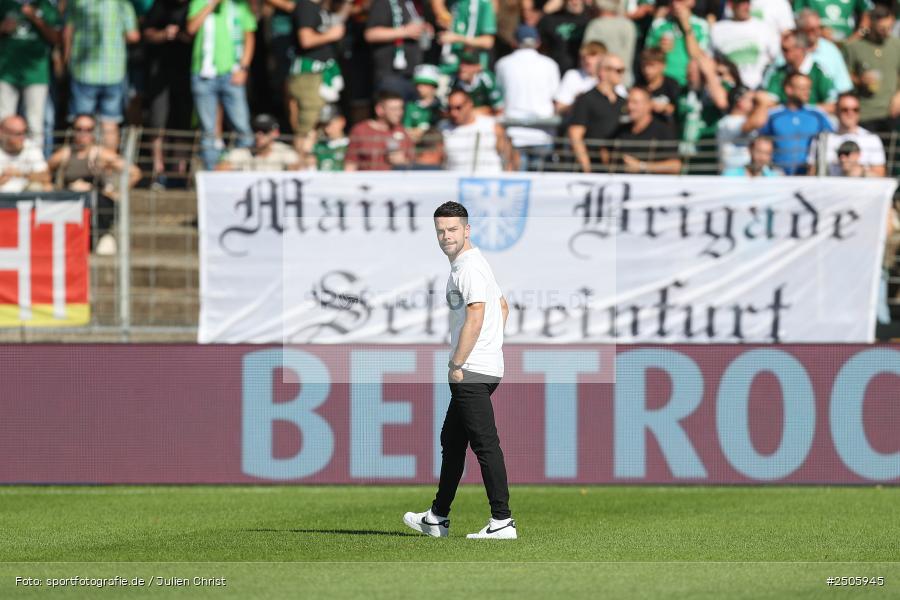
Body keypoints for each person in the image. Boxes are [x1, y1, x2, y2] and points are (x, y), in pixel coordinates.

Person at [403, 201, 515, 540]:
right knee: (452, 441)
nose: (446, 236)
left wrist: (458, 363)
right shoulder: (474, 263)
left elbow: (477, 315)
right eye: (440, 231)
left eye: (452, 229)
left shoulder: (468, 268)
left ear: (467, 230)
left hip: (471, 370)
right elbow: (503, 307)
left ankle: (502, 521)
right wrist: (490, 348)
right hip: (483, 366)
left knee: (485, 444)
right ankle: (437, 517)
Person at [47, 114, 142, 255]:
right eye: (79, 129)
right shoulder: (65, 153)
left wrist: (116, 192)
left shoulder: (101, 154)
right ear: (73, 131)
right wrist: (50, 186)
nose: (83, 133)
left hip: (95, 207)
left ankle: (100, 239)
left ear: (94, 132)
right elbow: (44, 170)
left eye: (88, 129)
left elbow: (134, 172)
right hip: (70, 204)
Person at [186, 0, 257, 171]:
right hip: (203, 74)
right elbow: (191, 28)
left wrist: (244, 67)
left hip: (232, 73)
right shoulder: (199, 2)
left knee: (242, 126)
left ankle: (242, 170)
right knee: (208, 130)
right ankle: (212, 173)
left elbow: (249, 36)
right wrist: (211, 4)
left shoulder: (239, 5)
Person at [64, 0, 140, 151]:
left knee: (83, 123)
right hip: (114, 72)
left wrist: (65, 59)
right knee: (110, 123)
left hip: (83, 72)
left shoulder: (77, 2)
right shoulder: (122, 4)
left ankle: (83, 163)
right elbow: (133, 36)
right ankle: (108, 164)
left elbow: (68, 30)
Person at [495, 24, 560, 170]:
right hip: (542, 133)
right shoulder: (550, 64)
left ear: (514, 42)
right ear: (537, 42)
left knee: (517, 182)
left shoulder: (503, 64)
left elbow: (499, 96)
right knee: (541, 182)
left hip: (514, 132)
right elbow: (555, 99)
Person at [143, 0, 194, 187]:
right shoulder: (160, 5)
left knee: (182, 125)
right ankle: (158, 172)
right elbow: (147, 33)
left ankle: (179, 173)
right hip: (160, 73)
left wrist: (184, 35)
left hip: (187, 73)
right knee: (158, 122)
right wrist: (164, 34)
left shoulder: (194, 6)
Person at [288, 0, 348, 157]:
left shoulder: (321, 7)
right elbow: (306, 40)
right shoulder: (306, 6)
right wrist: (331, 35)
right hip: (309, 76)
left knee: (322, 123)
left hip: (322, 74)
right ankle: (301, 163)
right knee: (309, 125)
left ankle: (317, 162)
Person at [0, 0, 61, 149]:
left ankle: (35, 160)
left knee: (35, 123)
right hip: (6, 73)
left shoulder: (45, 6)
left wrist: (36, 19)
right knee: (4, 121)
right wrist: (2, 27)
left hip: (37, 74)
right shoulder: (3, 4)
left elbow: (57, 38)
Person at [748, 73, 833, 175]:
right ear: (789, 89)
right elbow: (760, 141)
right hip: (777, 175)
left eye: (809, 88)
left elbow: (831, 140)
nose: (807, 92)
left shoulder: (817, 115)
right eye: (803, 88)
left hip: (808, 176)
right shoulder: (773, 115)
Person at [841, 5, 900, 132]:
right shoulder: (854, 47)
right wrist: (859, 80)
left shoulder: (896, 44)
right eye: (882, 29)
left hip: (891, 113)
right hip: (866, 114)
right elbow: (843, 76)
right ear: (871, 24)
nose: (887, 32)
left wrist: (899, 95)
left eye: (889, 28)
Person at [568, 53, 627, 172]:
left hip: (616, 168)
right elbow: (575, 135)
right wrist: (587, 168)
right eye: (618, 70)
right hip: (593, 167)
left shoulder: (623, 101)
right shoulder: (586, 99)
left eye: (623, 70)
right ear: (603, 71)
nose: (622, 74)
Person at [808, 92, 885, 176]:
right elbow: (812, 173)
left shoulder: (871, 139)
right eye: (845, 110)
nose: (850, 113)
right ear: (836, 111)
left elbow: (880, 175)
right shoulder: (822, 139)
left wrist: (861, 172)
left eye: (855, 110)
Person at [762, 29, 836, 114]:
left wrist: (802, 112)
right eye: (782, 49)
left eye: (786, 49)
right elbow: (768, 103)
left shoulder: (820, 73)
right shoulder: (778, 73)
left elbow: (832, 105)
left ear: (800, 49)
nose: (782, 53)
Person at [710, 0, 779, 90]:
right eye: (741, 3)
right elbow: (711, 59)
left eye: (748, 2)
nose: (745, 6)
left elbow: (775, 58)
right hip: (729, 88)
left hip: (759, 87)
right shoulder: (717, 29)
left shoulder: (764, 27)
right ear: (731, 5)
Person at [611, 86, 682, 173]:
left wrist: (642, 166)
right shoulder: (622, 130)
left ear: (648, 105)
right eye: (628, 102)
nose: (630, 107)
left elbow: (676, 166)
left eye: (635, 102)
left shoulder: (663, 130)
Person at [438, 89, 511, 172]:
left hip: (490, 178)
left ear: (469, 104)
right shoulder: (442, 128)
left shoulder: (491, 125)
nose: (453, 113)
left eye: (458, 108)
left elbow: (509, 157)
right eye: (449, 108)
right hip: (455, 178)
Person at [364, 0, 426, 98]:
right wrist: (405, 31)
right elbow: (370, 34)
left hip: (412, 74)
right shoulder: (383, 2)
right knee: (393, 106)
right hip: (391, 74)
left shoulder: (410, 3)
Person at [645, 0, 711, 86]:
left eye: (680, 0)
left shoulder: (701, 25)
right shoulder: (659, 24)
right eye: (672, 1)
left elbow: (698, 57)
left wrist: (687, 27)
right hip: (662, 84)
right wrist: (659, 48)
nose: (675, 4)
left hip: (687, 84)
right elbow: (646, 57)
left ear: (692, 1)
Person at [345, 91, 414, 170]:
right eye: (394, 109)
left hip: (395, 177)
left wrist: (403, 162)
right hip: (368, 177)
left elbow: (414, 165)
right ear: (379, 110)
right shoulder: (360, 131)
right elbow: (350, 164)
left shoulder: (403, 131)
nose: (399, 113)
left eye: (400, 108)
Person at [215, 113, 302, 171]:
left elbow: (297, 170)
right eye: (255, 130)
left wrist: (301, 157)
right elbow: (219, 169)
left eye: (264, 131)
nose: (259, 135)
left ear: (275, 133)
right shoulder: (243, 152)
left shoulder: (284, 151)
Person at [796, 9, 852, 94]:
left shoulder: (830, 50)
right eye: (811, 29)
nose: (817, 32)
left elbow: (844, 86)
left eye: (819, 28)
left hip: (830, 101)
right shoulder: (791, 49)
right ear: (801, 30)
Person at [582, 0, 636, 86]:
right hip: (623, 78)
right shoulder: (628, 25)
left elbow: (586, 52)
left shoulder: (595, 25)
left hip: (599, 80)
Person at [434, 0, 496, 74]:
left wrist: (457, 38)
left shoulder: (484, 4)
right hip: (447, 66)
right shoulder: (453, 3)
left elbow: (488, 42)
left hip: (471, 68)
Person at [537, 0, 591, 75]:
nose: (574, 2)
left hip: (582, 73)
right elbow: (537, 39)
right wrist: (545, 11)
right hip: (556, 71)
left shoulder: (590, 18)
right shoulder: (551, 19)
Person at [554, 41, 608, 115]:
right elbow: (559, 108)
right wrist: (580, 103)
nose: (587, 59)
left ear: (603, 58)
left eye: (593, 54)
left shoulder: (611, 77)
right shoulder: (572, 75)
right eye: (583, 57)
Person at [0, 115, 51, 192]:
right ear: (2, 133)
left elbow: (46, 177)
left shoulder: (31, 147)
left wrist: (20, 174)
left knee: (40, 187)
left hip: (25, 195)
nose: (22, 138)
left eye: (24, 132)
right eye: (18, 134)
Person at [638, 47, 682, 127]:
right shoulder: (639, 85)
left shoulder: (672, 85)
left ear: (662, 66)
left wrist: (666, 108)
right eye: (644, 66)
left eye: (651, 65)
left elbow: (680, 110)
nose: (647, 70)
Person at [716, 85, 757, 171]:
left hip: (747, 173)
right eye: (752, 100)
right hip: (731, 174)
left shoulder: (747, 120)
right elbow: (756, 122)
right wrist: (763, 104)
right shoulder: (727, 122)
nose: (755, 103)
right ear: (740, 101)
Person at [793, 0, 871, 42]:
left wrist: (859, 34)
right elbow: (797, 15)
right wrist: (817, 32)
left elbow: (867, 12)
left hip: (847, 42)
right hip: (818, 43)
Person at [404, 64, 443, 143]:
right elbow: (406, 128)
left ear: (433, 86)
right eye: (418, 85)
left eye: (424, 84)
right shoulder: (410, 106)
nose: (419, 88)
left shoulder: (440, 107)